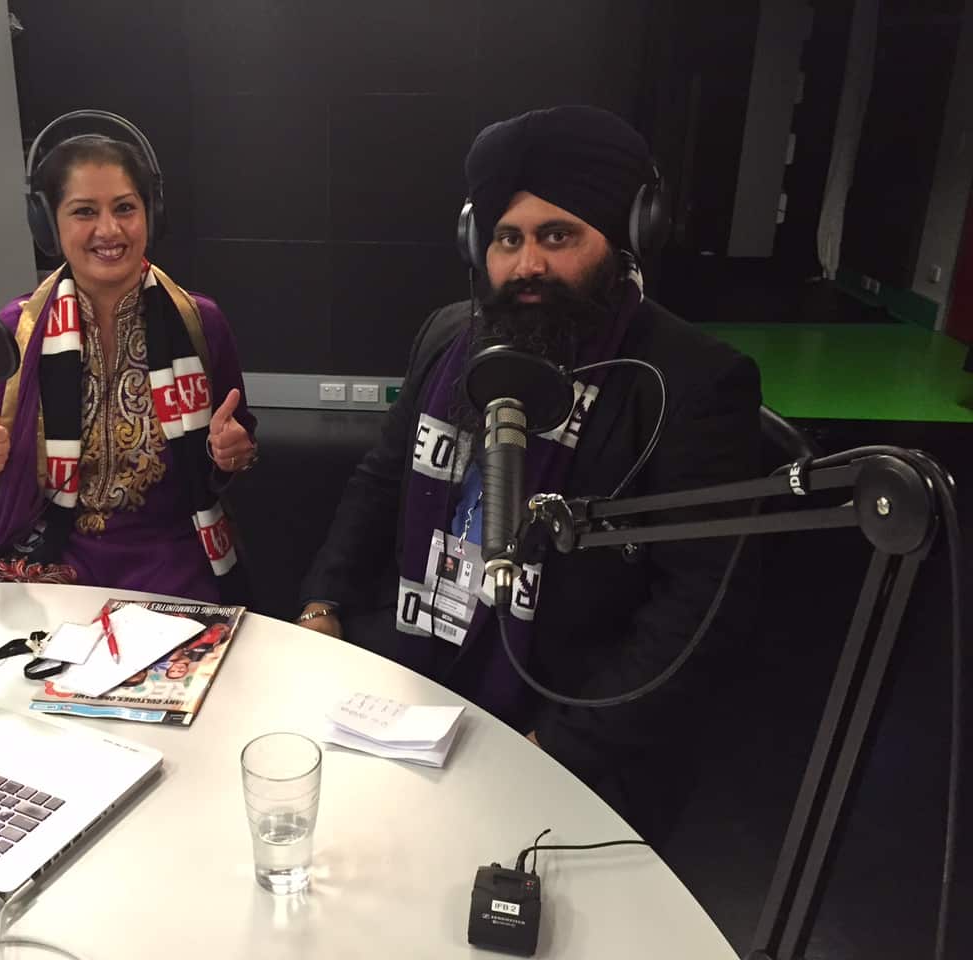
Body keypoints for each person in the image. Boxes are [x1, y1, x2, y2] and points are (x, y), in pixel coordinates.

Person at [297, 106, 761, 843]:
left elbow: (696, 608)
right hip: (418, 673)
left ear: (629, 237)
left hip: (569, 724)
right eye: (507, 239)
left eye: (558, 236)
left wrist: (558, 749)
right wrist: (322, 605)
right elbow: (382, 479)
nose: (527, 266)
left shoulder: (693, 382)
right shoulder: (450, 335)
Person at [0, 121, 256, 603]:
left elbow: (232, 455)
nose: (109, 230)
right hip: (47, 551)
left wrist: (230, 453)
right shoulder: (16, 330)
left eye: (125, 208)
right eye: (84, 211)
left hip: (171, 554)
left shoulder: (202, 323)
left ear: (151, 213)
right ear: (49, 225)